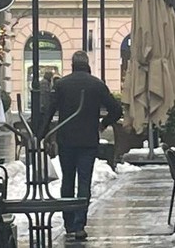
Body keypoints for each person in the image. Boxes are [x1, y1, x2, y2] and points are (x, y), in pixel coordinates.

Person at [41, 50, 123, 241]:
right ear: (87, 64)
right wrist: (103, 123)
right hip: (88, 140)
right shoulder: (97, 84)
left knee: (67, 181)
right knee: (84, 182)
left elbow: (49, 111)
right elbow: (116, 109)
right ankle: (80, 225)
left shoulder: (61, 84)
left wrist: (42, 134)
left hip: (66, 140)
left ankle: (69, 223)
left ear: (72, 64)